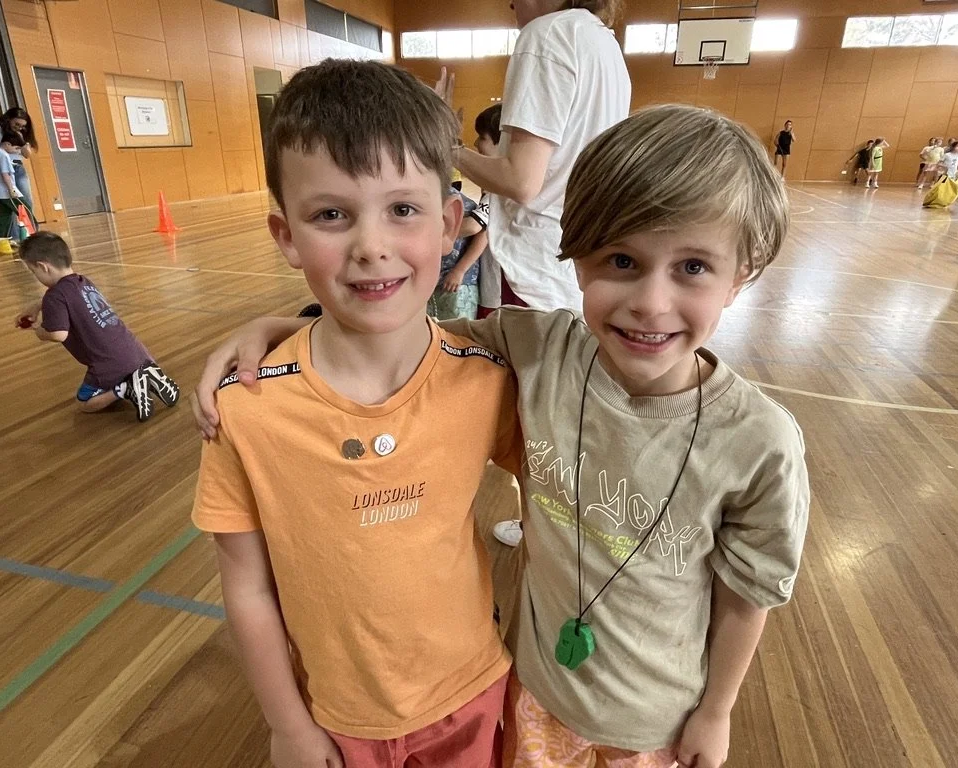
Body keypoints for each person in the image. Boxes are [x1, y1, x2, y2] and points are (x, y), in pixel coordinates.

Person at [192, 104, 810, 768]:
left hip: (656, 724)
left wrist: (716, 712)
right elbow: (400, 333)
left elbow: (746, 598)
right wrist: (281, 328)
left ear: (740, 276)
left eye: (692, 268)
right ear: (579, 260)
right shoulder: (538, 350)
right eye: (622, 260)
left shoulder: (760, 444)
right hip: (535, 696)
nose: (651, 303)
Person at [192, 60, 523, 768]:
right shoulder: (246, 407)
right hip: (334, 717)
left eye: (402, 209)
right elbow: (246, 587)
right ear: (286, 235)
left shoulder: (488, 379)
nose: (371, 246)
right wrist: (287, 725)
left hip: (474, 694)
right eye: (331, 215)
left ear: (449, 224)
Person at [439, 0, 631, 314]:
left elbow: (520, 181)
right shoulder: (605, 43)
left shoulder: (547, 33)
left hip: (534, 267)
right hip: (575, 256)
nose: (511, 3)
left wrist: (445, 146)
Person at [16, 232, 179, 421]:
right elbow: (68, 301)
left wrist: (39, 332)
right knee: (127, 370)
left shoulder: (55, 296)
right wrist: (38, 305)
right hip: (136, 352)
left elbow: (58, 334)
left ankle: (126, 388)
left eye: (33, 271)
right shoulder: (83, 282)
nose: (35, 276)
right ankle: (147, 375)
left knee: (84, 403)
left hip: (108, 364)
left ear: (43, 267)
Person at [428, 189, 487, 320]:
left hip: (459, 283)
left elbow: (482, 233)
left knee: (459, 328)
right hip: (431, 282)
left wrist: (459, 271)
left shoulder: (464, 203)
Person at [473, 104, 504, 318]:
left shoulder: (498, 192)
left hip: (496, 291)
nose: (476, 143)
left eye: (482, 137)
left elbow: (475, 227)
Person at [0, 107, 39, 219]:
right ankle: (18, 231)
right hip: (1, 170)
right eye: (17, 124)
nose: (19, 128)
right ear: (9, 118)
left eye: (22, 126)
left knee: (26, 202)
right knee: (10, 206)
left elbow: (26, 155)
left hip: (18, 167)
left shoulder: (19, 132)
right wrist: (3, 149)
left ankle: (28, 229)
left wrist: (25, 147)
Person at [0, 131, 35, 242]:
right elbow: (5, 175)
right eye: (16, 148)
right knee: (25, 209)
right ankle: (33, 236)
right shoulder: (3, 156)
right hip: (6, 191)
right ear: (7, 144)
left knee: (4, 212)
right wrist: (12, 189)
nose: (17, 151)